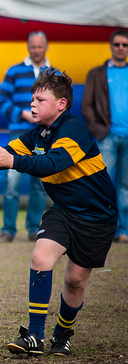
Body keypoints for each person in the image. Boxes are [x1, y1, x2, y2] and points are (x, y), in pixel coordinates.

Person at [0, 69, 117, 356]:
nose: (32, 105)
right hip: (64, 211)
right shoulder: (38, 135)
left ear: (61, 104)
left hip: (97, 216)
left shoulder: (74, 129)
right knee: (40, 257)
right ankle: (35, 335)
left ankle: (62, 334)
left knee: (75, 280)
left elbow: (52, 164)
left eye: (40, 100)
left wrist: (14, 161)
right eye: (32, 99)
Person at [0, 31, 50, 243]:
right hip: (19, 134)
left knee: (40, 185)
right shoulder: (14, 71)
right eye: (33, 47)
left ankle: (35, 229)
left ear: (46, 47)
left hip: (44, 135)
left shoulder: (52, 73)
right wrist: (23, 114)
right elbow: (1, 102)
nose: (36, 50)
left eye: (40, 47)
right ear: (28, 47)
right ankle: (8, 229)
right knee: (12, 182)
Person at [82, 28, 128, 244]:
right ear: (110, 46)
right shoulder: (96, 74)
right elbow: (86, 105)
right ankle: (102, 229)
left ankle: (122, 230)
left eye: (125, 45)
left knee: (125, 186)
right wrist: (96, 129)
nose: (120, 48)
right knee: (103, 184)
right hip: (106, 136)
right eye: (117, 44)